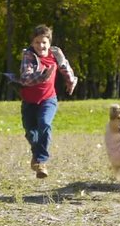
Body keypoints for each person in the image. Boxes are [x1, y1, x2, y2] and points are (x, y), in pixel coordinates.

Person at [17, 24, 77, 178]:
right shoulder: (28, 55)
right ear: (32, 43)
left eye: (44, 42)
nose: (40, 46)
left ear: (49, 43)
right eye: (37, 42)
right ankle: (37, 156)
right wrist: (43, 75)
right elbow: (26, 78)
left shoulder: (56, 53)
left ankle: (41, 161)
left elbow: (65, 67)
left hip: (48, 99)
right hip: (29, 102)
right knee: (31, 133)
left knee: (45, 123)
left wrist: (71, 81)